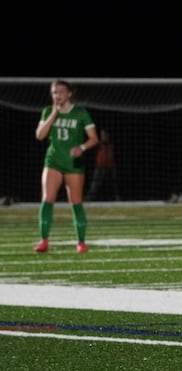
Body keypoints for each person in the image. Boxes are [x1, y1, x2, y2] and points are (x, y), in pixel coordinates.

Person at [34, 79, 100, 253]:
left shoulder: (80, 113)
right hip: (53, 161)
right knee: (47, 198)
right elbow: (40, 136)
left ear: (69, 93)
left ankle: (81, 242)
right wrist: (53, 115)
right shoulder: (48, 111)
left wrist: (82, 147)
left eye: (61, 92)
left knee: (76, 202)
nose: (58, 95)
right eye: (55, 92)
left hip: (73, 163)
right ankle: (44, 241)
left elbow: (94, 138)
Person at [87, 129, 120, 201]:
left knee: (113, 183)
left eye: (105, 135)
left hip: (110, 166)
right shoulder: (99, 144)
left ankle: (116, 197)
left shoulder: (111, 144)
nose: (103, 136)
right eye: (102, 135)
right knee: (95, 183)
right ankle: (90, 198)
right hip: (100, 166)